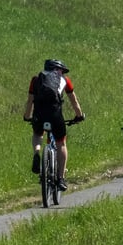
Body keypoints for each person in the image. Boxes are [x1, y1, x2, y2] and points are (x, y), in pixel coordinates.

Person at [24, 59, 85, 191]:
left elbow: (30, 101)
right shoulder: (64, 80)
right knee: (61, 143)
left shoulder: (36, 80)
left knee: (37, 133)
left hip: (39, 114)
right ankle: (61, 178)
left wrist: (27, 116)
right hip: (55, 115)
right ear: (58, 70)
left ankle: (37, 152)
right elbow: (73, 101)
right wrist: (79, 116)